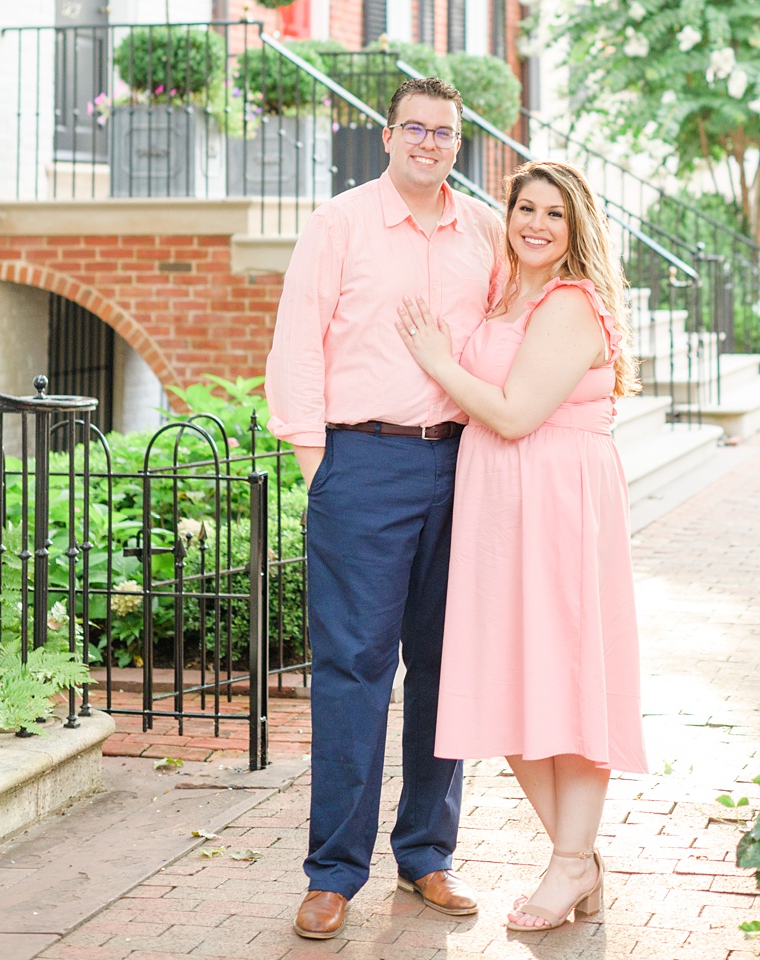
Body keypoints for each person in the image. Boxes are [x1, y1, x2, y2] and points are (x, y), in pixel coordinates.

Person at [263, 77, 504, 941]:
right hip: (361, 460)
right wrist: (315, 458)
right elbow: (297, 342)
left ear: (458, 144)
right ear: (387, 137)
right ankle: (333, 873)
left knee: (446, 666)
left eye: (444, 133)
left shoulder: (483, 231)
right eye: (415, 128)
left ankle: (428, 856)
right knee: (355, 669)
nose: (430, 144)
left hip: (463, 460)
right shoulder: (340, 225)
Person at [392, 160, 648, 933]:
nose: (535, 224)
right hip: (503, 507)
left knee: (568, 684)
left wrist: (438, 361)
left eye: (554, 215)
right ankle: (579, 861)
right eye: (525, 208)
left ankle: (570, 864)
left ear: (577, 232)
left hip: (557, 505)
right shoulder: (510, 294)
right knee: (511, 688)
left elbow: (513, 412)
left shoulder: (570, 303)